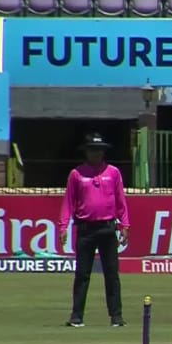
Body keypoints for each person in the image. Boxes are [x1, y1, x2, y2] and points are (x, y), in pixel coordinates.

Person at [59, 132, 130, 328]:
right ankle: (76, 316)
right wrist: (63, 226)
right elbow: (68, 202)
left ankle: (116, 316)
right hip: (86, 229)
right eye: (92, 150)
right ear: (87, 152)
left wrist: (125, 225)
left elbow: (120, 200)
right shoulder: (77, 174)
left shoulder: (113, 172)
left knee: (111, 274)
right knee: (82, 274)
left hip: (108, 228)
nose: (96, 154)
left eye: (99, 150)